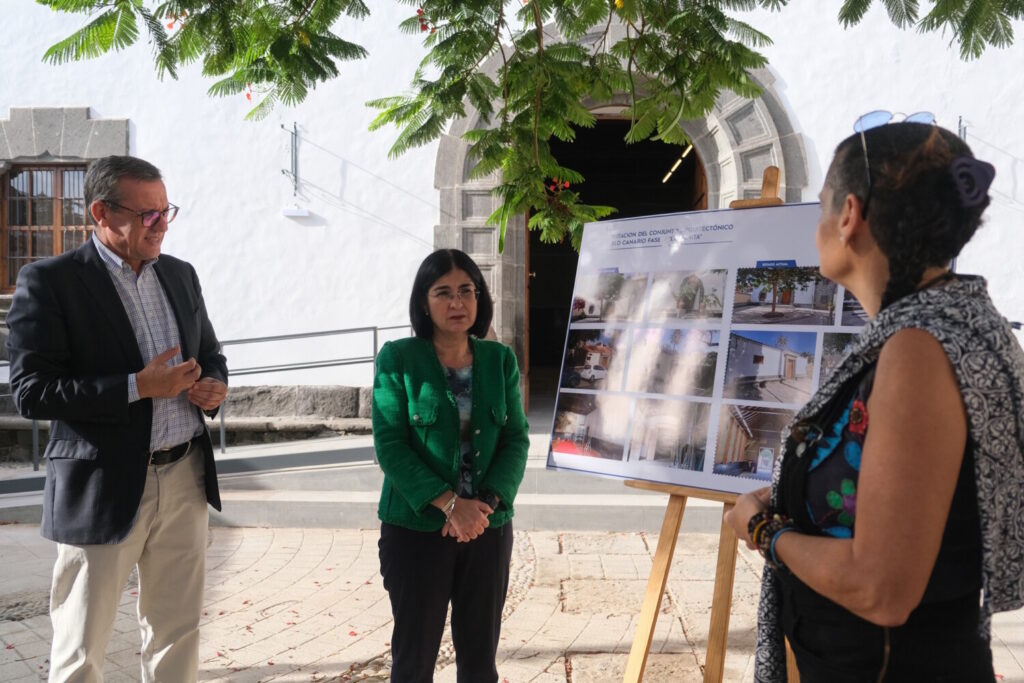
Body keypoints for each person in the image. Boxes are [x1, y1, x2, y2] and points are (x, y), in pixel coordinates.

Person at [724, 119, 1024, 682]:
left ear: (850, 216)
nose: (817, 225)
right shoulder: (941, 324)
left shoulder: (918, 350)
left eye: (820, 208)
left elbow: (880, 588)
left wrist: (765, 531)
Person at [6, 155, 228, 682]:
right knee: (82, 645)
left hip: (184, 478)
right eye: (147, 214)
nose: (161, 225)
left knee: (177, 634)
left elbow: (212, 353)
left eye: (165, 211)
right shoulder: (49, 282)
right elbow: (31, 392)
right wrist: (137, 387)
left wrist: (213, 388)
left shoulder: (180, 274)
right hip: (100, 485)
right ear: (101, 212)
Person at [372, 248, 530, 682]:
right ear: (424, 302)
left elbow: (515, 438)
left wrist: (484, 504)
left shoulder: (499, 361)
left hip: (487, 528)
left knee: (480, 662)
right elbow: (390, 445)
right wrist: (449, 505)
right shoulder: (398, 358)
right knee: (414, 660)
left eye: (466, 291)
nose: (457, 303)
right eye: (443, 292)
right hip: (417, 531)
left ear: (479, 299)